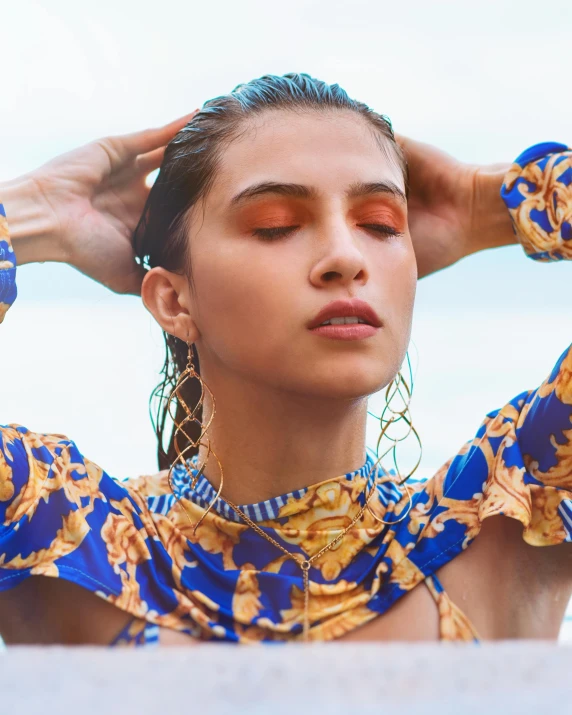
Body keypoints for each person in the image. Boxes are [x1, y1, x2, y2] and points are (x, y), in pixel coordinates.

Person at [0, 73, 571, 647]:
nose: (346, 257)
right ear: (174, 300)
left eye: (380, 224)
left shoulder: (500, 515)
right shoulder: (65, 527)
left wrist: (490, 201)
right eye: (275, 227)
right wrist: (32, 212)